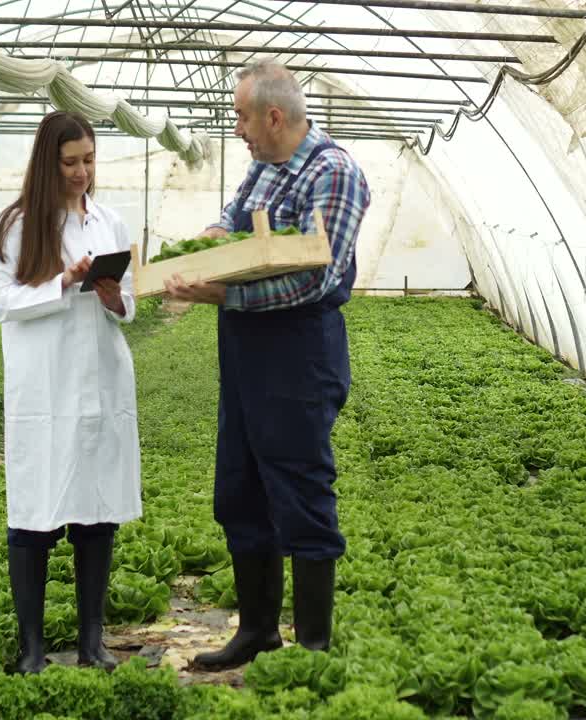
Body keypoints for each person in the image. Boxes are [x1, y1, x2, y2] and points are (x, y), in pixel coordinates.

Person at [162, 60, 370, 670]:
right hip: (247, 353)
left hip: (299, 354)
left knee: (302, 494)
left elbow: (315, 277)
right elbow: (234, 219)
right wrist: (209, 237)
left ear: (273, 116)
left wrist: (227, 294)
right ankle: (257, 631)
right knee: (240, 492)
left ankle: (312, 646)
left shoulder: (334, 174)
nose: (237, 130)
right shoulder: (265, 168)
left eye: (241, 117)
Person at [0, 110, 142, 674]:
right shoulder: (19, 225)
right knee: (35, 508)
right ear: (48, 163)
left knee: (96, 509)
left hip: (100, 375)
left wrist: (111, 298)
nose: (82, 173)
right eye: (71, 162)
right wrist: (63, 283)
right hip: (43, 385)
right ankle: (31, 649)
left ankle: (91, 642)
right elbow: (0, 301)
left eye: (90, 160)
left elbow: (131, 301)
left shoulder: (110, 222)